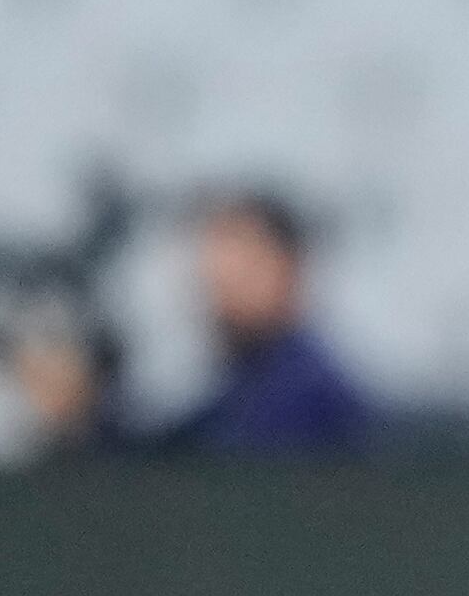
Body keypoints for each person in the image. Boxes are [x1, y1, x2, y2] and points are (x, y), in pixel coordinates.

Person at [155, 190, 373, 455]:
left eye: (244, 271)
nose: (223, 294)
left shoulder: (304, 396)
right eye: (214, 279)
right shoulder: (238, 389)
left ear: (289, 270)